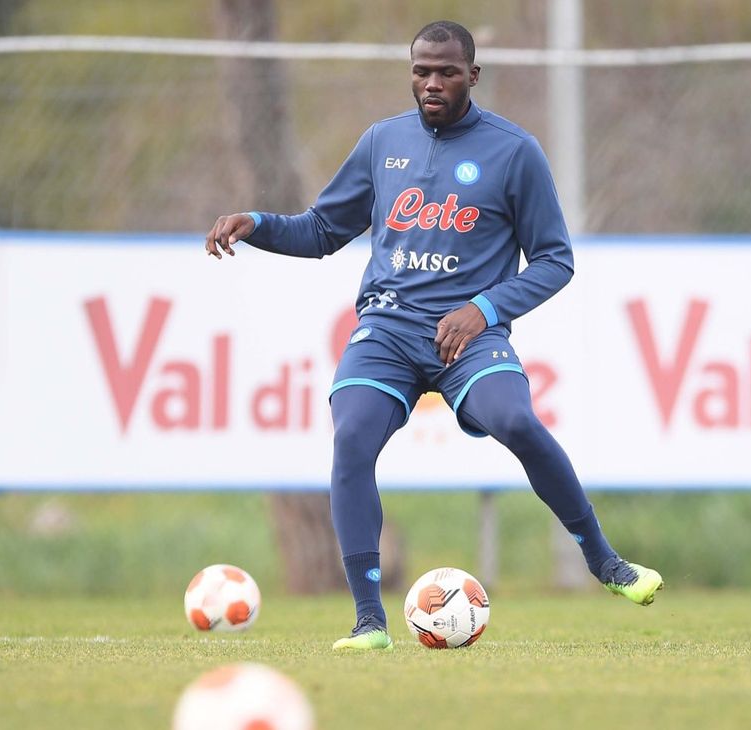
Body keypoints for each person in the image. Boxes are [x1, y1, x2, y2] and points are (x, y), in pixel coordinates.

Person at [205, 20, 663, 651]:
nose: (432, 82)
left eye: (447, 71)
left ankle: (605, 561)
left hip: (467, 338)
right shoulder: (382, 142)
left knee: (518, 421)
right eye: (421, 70)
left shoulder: (514, 151)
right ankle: (369, 621)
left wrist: (484, 308)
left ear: (472, 75)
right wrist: (254, 222)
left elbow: (556, 259)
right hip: (388, 330)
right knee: (353, 438)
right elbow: (320, 232)